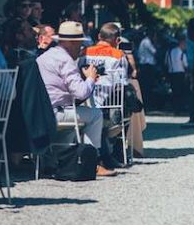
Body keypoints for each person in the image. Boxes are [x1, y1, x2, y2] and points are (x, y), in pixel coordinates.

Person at [36, 21, 115, 177]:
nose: (80, 49)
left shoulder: (44, 57)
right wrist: (90, 78)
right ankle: (92, 162)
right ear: (71, 43)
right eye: (79, 44)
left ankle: (59, 160)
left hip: (40, 113)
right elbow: (81, 93)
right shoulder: (66, 61)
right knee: (95, 115)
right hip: (57, 113)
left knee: (74, 121)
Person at [79, 22, 129, 168]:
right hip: (109, 103)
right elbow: (122, 83)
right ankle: (115, 152)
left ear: (99, 36)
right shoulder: (118, 55)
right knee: (129, 103)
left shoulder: (84, 52)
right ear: (117, 40)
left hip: (84, 99)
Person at [166, 35, 188, 115]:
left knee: (174, 91)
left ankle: (174, 108)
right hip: (180, 74)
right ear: (181, 44)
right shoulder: (182, 53)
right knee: (181, 92)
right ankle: (179, 109)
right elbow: (185, 64)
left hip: (172, 73)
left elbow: (166, 62)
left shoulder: (170, 51)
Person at [137, 30, 158, 109]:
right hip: (147, 65)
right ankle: (147, 105)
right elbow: (154, 51)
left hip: (145, 65)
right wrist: (155, 43)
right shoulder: (147, 42)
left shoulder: (144, 42)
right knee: (147, 86)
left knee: (147, 86)